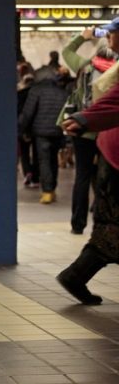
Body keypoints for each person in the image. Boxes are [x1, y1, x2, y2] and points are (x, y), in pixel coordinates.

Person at [57, 80, 119, 305]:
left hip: (111, 152)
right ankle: (75, 275)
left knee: (111, 229)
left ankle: (75, 276)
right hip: (115, 158)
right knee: (111, 229)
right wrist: (84, 119)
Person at [61, 23, 119, 233]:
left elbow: (66, 51)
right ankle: (103, 221)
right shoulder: (116, 67)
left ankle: (78, 224)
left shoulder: (85, 65)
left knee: (82, 175)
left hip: (82, 126)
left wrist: (83, 37)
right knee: (105, 175)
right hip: (108, 127)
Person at [18, 65, 69, 204]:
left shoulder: (36, 91)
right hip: (58, 131)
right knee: (53, 160)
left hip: (41, 132)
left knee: (44, 161)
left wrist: (21, 130)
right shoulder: (62, 92)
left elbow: (28, 113)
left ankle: (47, 192)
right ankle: (52, 188)